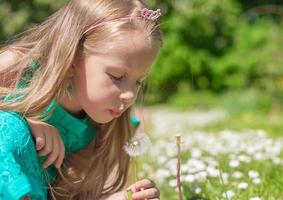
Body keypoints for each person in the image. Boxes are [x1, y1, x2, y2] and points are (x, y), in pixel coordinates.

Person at [0, 0, 163, 199]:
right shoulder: (18, 67)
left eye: (138, 82)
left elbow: (66, 194)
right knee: (8, 126)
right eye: (117, 76)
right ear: (71, 57)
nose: (130, 95)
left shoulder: (95, 129)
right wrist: (27, 118)